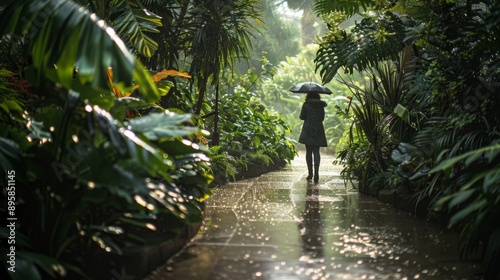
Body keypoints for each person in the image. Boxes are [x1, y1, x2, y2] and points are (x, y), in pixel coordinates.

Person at [298, 92, 327, 183]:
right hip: (318, 129)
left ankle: (310, 174)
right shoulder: (321, 105)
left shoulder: (306, 104)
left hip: (308, 129)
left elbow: (302, 117)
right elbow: (322, 118)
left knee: (309, 151)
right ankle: (317, 174)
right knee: (316, 151)